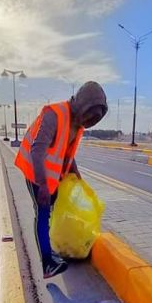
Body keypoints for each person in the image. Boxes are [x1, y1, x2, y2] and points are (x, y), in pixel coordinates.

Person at [15, 81, 108, 278]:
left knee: (52, 213)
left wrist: (78, 180)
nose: (89, 122)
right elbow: (37, 150)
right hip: (36, 173)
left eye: (93, 120)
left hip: (53, 178)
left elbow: (67, 155)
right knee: (42, 213)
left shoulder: (77, 124)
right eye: (89, 116)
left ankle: (53, 251)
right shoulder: (54, 115)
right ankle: (47, 263)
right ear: (82, 104)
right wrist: (41, 185)